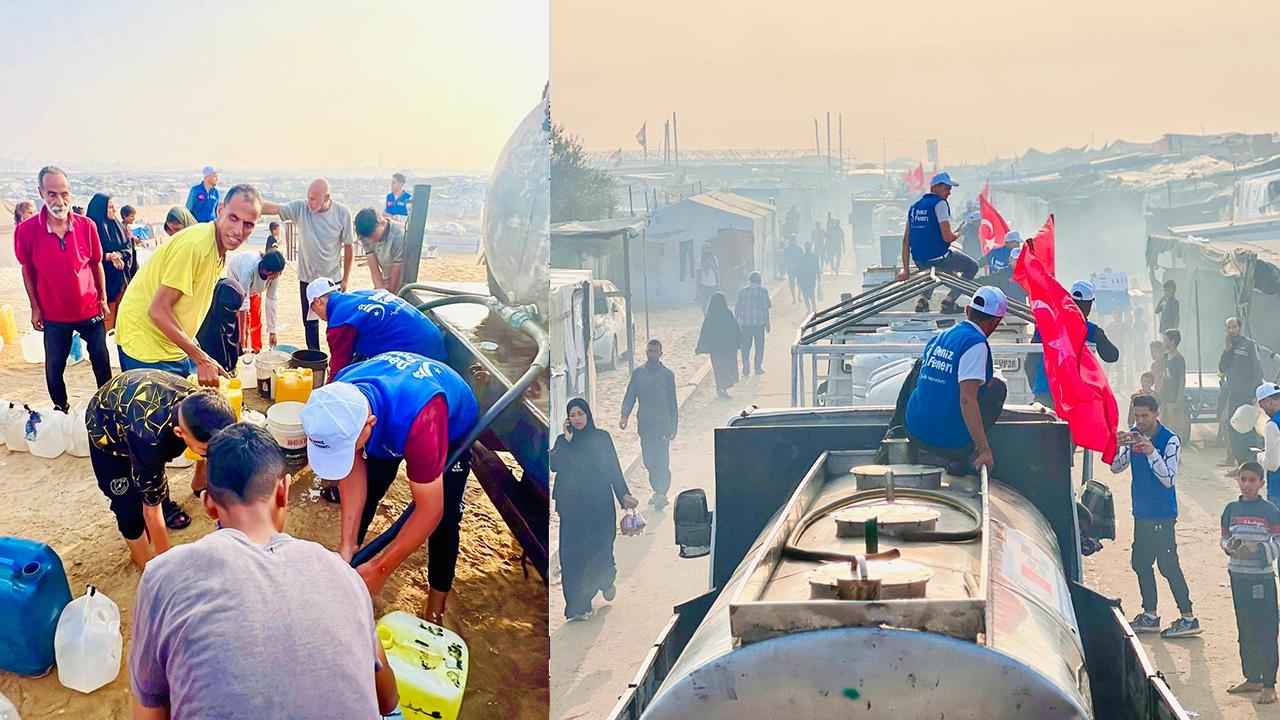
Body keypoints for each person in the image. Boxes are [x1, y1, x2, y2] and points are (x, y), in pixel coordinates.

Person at [129, 423, 398, 719]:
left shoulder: (164, 576)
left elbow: (151, 708)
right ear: (283, 490)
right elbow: (387, 701)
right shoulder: (342, 573)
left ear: (209, 505)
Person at [299, 352, 479, 622]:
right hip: (393, 407)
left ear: (370, 425)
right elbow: (352, 465)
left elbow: (430, 509)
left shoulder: (423, 420)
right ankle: (353, 558)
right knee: (371, 487)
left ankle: (436, 606)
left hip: (446, 420)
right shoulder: (337, 395)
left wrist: (382, 568)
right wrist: (346, 545)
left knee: (445, 518)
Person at [86, 370, 236, 569]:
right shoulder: (150, 440)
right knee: (128, 506)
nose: (209, 455)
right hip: (107, 424)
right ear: (179, 432)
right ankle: (145, 565)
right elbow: (152, 511)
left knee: (152, 483)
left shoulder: (201, 405)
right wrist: (169, 569)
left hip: (137, 404)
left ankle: (157, 494)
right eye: (204, 450)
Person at [116, 185, 259, 383]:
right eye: (233, 218)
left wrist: (198, 351)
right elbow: (157, 310)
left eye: (248, 224)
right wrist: (201, 358)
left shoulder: (218, 248)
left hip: (172, 343)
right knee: (159, 412)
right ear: (220, 210)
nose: (238, 230)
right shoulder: (195, 246)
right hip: (146, 342)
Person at [14, 166, 113, 412]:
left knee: (101, 361)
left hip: (90, 309)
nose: (60, 200)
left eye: (65, 193)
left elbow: (95, 264)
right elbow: (27, 269)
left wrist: (102, 298)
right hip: (54, 314)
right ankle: (61, 408)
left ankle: (108, 408)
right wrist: (35, 308)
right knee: (55, 366)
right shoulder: (26, 231)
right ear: (41, 193)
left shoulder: (86, 226)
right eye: (52, 194)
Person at [888, 286, 1009, 476]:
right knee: (998, 388)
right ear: (996, 321)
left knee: (920, 366)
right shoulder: (975, 343)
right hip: (949, 444)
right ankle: (962, 455)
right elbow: (967, 400)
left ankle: (894, 428)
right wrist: (985, 451)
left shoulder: (940, 337)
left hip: (913, 430)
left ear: (968, 311)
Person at [1110, 394, 1200, 637]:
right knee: (1140, 563)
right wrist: (1118, 445)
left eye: (1145, 416)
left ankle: (1188, 617)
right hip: (1142, 512)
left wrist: (1151, 451)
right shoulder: (1134, 435)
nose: (1140, 421)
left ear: (1156, 413)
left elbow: (1169, 478)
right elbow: (1116, 468)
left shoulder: (1170, 440)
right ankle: (1150, 614)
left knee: (1168, 566)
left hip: (1162, 514)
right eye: (1137, 416)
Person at [551, 398, 638, 621]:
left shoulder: (602, 438)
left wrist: (623, 495)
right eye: (573, 415)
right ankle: (578, 606)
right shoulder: (564, 441)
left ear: (588, 415)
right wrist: (568, 441)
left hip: (599, 506)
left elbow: (613, 469)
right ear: (567, 419)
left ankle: (606, 580)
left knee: (601, 549)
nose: (577, 418)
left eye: (581, 414)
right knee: (572, 556)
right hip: (572, 509)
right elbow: (554, 465)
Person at [260, 179, 356, 351]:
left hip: (331, 280)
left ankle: (336, 358)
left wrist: (346, 279)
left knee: (335, 322)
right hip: (307, 279)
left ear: (326, 197)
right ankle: (315, 357)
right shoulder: (301, 208)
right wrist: (247, 206)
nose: (309, 202)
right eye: (308, 198)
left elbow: (349, 247)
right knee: (309, 322)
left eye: (313, 199)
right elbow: (273, 208)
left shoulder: (342, 213)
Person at [1221, 460, 1280, 705]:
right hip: (1238, 577)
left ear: (1261, 484)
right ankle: (1252, 677)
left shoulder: (1270, 511)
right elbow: (1224, 538)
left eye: (1252, 480)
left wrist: (1258, 548)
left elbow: (1277, 543)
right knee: (1245, 629)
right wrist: (1230, 547)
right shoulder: (1231, 509)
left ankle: (1269, 684)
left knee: (1266, 630)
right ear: (1238, 480)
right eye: (1243, 479)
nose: (1247, 485)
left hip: (1262, 580)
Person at [305, 279, 447, 377]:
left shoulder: (339, 321)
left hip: (418, 356)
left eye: (314, 311)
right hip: (434, 340)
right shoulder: (361, 295)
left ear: (317, 301)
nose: (319, 317)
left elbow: (339, 368)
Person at [1027, 280, 1120, 408]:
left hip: (1045, 394)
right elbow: (1112, 356)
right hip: (1074, 397)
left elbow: (1029, 361)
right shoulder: (1090, 329)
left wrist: (1038, 387)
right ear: (1090, 304)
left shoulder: (1045, 324)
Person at [898, 172, 978, 314]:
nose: (949, 193)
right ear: (936, 187)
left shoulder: (914, 207)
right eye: (947, 189)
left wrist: (906, 269)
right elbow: (948, 238)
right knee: (972, 267)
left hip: (919, 260)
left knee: (932, 270)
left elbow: (905, 240)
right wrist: (959, 232)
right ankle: (949, 301)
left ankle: (923, 300)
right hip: (939, 258)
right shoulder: (940, 204)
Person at [621, 339, 678, 506]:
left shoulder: (667, 375)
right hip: (645, 425)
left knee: (661, 459)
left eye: (655, 351)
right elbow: (631, 394)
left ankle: (662, 492)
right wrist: (624, 415)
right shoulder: (638, 373)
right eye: (650, 351)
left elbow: (672, 401)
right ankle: (657, 490)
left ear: (661, 353)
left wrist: (674, 425)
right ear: (646, 353)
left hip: (663, 425)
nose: (652, 354)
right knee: (649, 460)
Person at [85, 193, 135, 332]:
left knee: (124, 323)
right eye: (110, 208)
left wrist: (119, 254)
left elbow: (128, 248)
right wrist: (108, 256)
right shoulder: (90, 228)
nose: (114, 211)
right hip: (103, 288)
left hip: (121, 282)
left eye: (114, 207)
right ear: (101, 209)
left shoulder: (117, 226)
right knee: (106, 326)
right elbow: (86, 256)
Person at [1222, 317, 1264, 468]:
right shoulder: (1229, 346)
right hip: (1233, 393)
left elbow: (1257, 369)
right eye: (1229, 328)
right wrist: (1226, 350)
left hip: (1247, 394)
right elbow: (1222, 368)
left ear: (1240, 327)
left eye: (1234, 327)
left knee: (1247, 428)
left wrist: (1257, 393)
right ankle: (1240, 464)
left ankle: (1251, 464)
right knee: (1234, 427)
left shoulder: (1249, 344)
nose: (1231, 330)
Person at [225, 249, 285, 354]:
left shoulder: (274, 276)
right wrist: (242, 337)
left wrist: (272, 332)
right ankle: (240, 349)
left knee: (256, 317)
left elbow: (271, 300)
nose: (279, 275)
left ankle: (256, 349)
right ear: (270, 273)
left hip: (254, 289)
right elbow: (243, 305)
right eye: (279, 273)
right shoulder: (248, 270)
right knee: (242, 320)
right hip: (237, 281)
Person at [696, 292, 742, 399]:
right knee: (727, 367)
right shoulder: (727, 313)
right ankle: (723, 388)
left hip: (716, 349)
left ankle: (721, 388)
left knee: (718, 368)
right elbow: (735, 329)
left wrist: (700, 347)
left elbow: (705, 331)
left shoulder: (710, 315)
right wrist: (738, 342)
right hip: (728, 348)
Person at [354, 207, 407, 293]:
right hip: (385, 279)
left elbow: (396, 277)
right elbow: (374, 268)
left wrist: (389, 296)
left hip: (402, 283)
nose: (369, 241)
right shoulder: (365, 235)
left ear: (382, 223)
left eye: (372, 236)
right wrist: (381, 292)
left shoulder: (399, 237)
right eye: (366, 238)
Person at [735, 271, 771, 375]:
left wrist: (737, 320)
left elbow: (737, 307)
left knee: (745, 345)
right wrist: (768, 323)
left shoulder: (743, 291)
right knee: (759, 345)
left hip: (745, 323)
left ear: (750, 279)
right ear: (759, 279)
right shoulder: (763, 291)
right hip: (759, 323)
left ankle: (746, 364)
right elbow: (765, 308)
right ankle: (757, 367)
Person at [1159, 329, 1189, 441]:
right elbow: (1163, 375)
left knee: (1175, 424)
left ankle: (1176, 447)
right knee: (1164, 422)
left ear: (1172, 341)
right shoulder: (1165, 356)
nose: (1163, 342)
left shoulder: (1179, 359)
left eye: (1165, 340)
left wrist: (1179, 398)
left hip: (1174, 395)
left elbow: (1182, 379)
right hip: (1165, 394)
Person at [1257, 382, 1280, 503]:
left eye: (1262, 406)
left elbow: (1272, 465)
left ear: (1268, 401)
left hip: (1278, 489)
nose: (1264, 411)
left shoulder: (1273, 425)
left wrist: (1260, 456)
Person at [694, 243, 720, 313]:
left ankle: (713, 316)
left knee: (714, 302)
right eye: (705, 249)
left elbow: (717, 273)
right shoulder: (699, 261)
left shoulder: (714, 260)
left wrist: (718, 283)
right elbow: (698, 275)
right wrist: (697, 287)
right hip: (704, 285)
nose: (707, 251)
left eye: (708, 249)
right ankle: (705, 316)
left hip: (713, 284)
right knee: (705, 302)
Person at [798, 241, 820, 313]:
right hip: (808, 278)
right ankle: (811, 307)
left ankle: (811, 307)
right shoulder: (812, 257)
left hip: (808, 279)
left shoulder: (803, 257)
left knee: (807, 294)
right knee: (809, 293)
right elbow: (817, 268)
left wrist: (799, 280)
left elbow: (817, 268)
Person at [783, 236, 803, 303]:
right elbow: (802, 258)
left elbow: (784, 259)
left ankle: (794, 298)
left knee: (792, 284)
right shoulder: (799, 249)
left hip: (790, 268)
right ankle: (799, 296)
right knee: (800, 283)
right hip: (799, 268)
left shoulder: (787, 249)